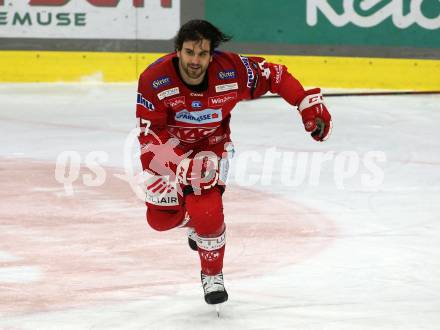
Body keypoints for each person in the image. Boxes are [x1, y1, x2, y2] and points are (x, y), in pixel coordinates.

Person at [135, 19, 332, 305]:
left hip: (211, 147)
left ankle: (212, 274)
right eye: (190, 52)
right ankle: (194, 222)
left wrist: (303, 101)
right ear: (178, 50)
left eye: (203, 54)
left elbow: (274, 74)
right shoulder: (154, 79)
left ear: (211, 54)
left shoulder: (232, 70)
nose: (195, 60)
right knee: (159, 219)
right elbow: (149, 136)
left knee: (208, 207)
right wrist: (179, 164)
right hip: (167, 150)